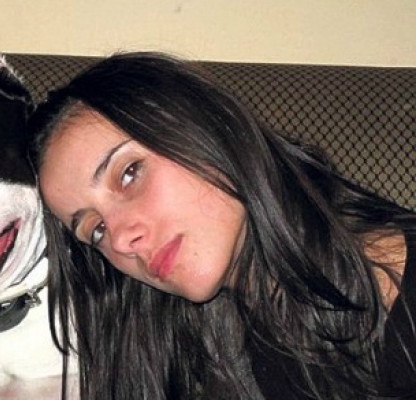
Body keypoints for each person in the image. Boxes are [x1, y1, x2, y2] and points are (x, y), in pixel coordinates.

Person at [27, 52, 416, 400]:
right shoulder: (216, 351)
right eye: (96, 230)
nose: (122, 240)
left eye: (129, 173)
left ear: (206, 128)